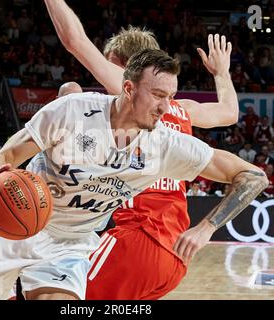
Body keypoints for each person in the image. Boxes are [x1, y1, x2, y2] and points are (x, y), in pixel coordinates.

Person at [0, 49, 268, 300]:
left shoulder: (165, 144)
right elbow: (6, 156)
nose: (165, 107)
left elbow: (253, 177)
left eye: (170, 97)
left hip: (69, 245)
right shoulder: (74, 110)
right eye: (158, 95)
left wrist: (207, 227)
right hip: (10, 230)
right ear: (129, 87)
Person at [43, 0, 241, 300]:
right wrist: (221, 72)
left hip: (139, 237)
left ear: (127, 67)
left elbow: (75, 41)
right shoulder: (180, 109)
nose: (106, 76)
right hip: (174, 254)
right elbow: (229, 112)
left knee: (52, 292)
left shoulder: (128, 88)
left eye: (110, 65)